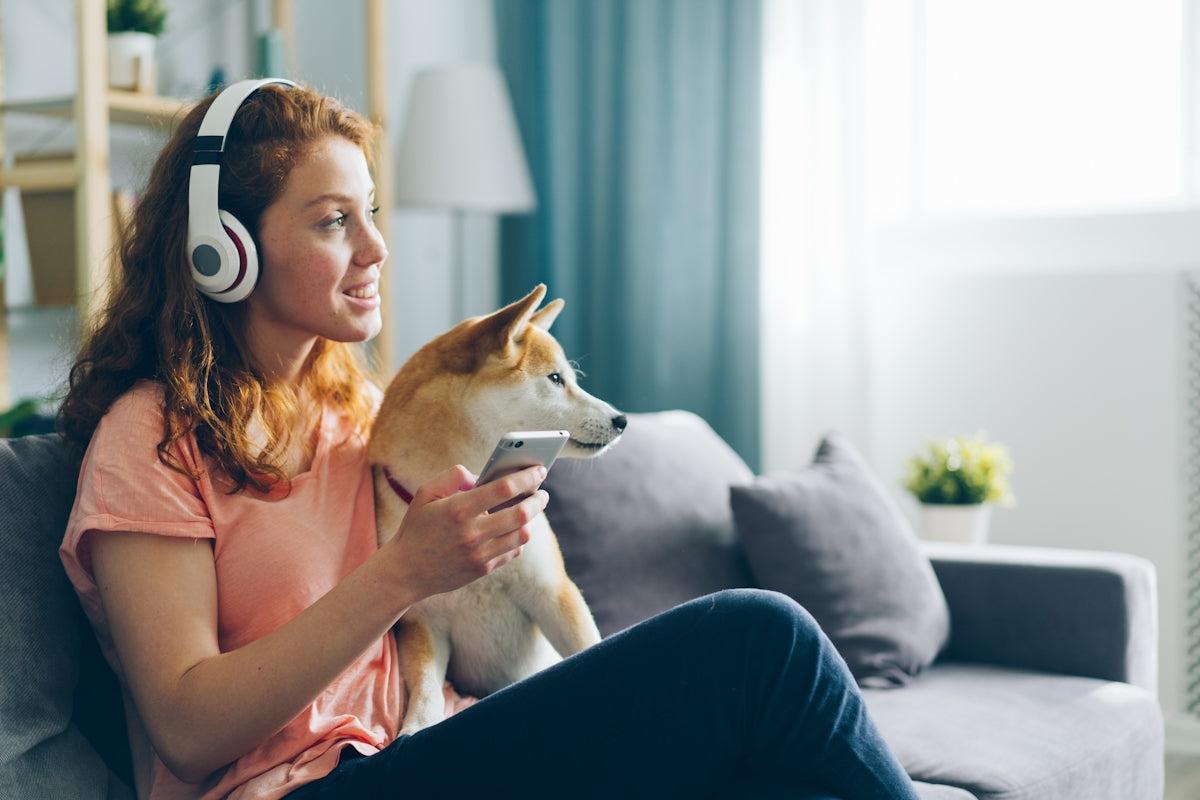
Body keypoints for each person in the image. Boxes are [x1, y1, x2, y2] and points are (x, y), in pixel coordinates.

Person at [58, 79, 921, 800]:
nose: (377, 246)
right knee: (759, 639)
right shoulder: (152, 439)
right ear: (224, 250)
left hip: (436, 742)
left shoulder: (356, 412)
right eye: (333, 222)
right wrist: (403, 572)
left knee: (779, 779)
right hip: (304, 785)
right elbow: (185, 727)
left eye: (372, 212)